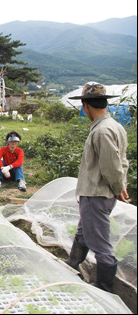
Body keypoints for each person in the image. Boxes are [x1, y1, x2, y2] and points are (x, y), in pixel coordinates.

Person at [65, 82, 129, 292]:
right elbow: (123, 161)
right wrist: (121, 185)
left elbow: (111, 166)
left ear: (86, 106)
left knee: (100, 242)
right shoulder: (115, 126)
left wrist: (118, 187)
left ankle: (103, 285)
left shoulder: (101, 131)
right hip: (95, 194)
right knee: (84, 233)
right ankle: (72, 264)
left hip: (96, 194)